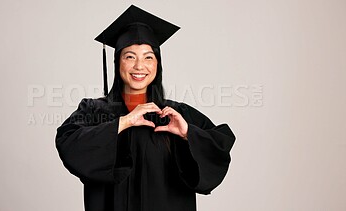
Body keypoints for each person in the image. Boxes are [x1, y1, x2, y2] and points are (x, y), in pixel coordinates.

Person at [55, 5, 235, 211]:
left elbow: (219, 147)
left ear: (157, 64)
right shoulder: (94, 110)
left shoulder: (177, 115)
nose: (139, 66)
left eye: (148, 57)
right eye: (130, 56)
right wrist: (123, 122)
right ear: (118, 62)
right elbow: (68, 143)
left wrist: (187, 134)